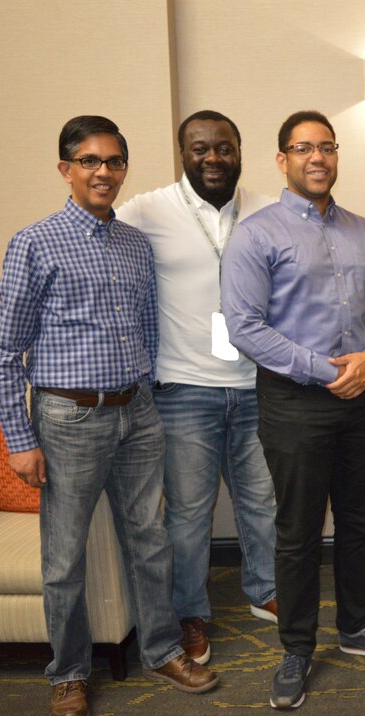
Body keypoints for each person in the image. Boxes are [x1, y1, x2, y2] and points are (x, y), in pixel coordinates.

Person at [0, 115, 219, 716]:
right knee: (64, 557)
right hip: (67, 421)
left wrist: (148, 390)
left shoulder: (133, 242)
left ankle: (163, 651)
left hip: (136, 411)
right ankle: (67, 675)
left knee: (150, 540)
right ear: (65, 169)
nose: (104, 173)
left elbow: (147, 327)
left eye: (114, 162)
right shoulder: (33, 243)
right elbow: (5, 352)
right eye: (90, 161)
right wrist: (19, 437)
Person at [220, 110, 365, 711]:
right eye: (303, 148)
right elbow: (243, 327)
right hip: (294, 402)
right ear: (282, 160)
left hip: (363, 397)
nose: (317, 158)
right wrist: (322, 368)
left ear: (336, 156)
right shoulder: (255, 235)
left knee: (362, 520)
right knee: (299, 532)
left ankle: (358, 628)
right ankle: (297, 649)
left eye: (326, 147)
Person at [116, 110, 278, 665]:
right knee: (188, 514)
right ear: (182, 153)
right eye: (200, 148)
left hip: (259, 385)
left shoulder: (267, 209)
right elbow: (97, 246)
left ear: (240, 151)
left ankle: (266, 591)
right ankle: (190, 613)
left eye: (224, 148)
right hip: (184, 390)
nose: (213, 158)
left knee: (263, 500)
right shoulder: (145, 209)